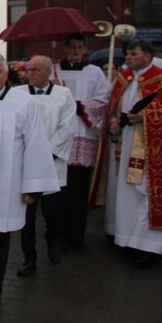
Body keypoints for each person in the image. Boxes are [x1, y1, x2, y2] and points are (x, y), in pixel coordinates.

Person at [0, 52, 59, 323]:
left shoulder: (24, 103)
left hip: (6, 189)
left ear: (6, 74)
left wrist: (33, 186)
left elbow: (36, 145)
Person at [90, 40, 162, 267]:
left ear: (147, 56)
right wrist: (111, 123)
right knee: (123, 193)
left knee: (145, 196)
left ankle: (150, 247)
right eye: (127, 54)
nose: (128, 58)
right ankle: (124, 237)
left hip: (150, 151)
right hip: (121, 146)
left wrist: (145, 118)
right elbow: (111, 107)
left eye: (133, 54)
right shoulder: (124, 79)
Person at [14, 56, 76, 277]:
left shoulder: (63, 95)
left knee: (52, 214)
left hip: (52, 164)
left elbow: (67, 127)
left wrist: (45, 154)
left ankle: (53, 243)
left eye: (36, 70)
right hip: (24, 166)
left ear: (49, 72)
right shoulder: (18, 94)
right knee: (26, 217)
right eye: (28, 69)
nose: (30, 73)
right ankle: (29, 258)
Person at [54, 33, 110, 250]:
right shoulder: (55, 71)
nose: (76, 51)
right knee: (59, 190)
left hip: (83, 136)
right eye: (73, 47)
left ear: (84, 49)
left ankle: (75, 236)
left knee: (78, 190)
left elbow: (103, 100)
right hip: (60, 137)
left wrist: (77, 106)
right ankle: (57, 234)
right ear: (65, 48)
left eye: (80, 47)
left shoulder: (95, 73)